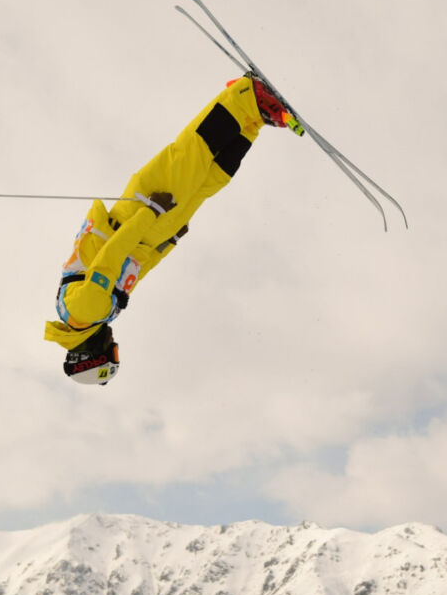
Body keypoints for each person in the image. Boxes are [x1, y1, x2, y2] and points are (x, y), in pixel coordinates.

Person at [44, 73, 299, 384]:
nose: (114, 344)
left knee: (192, 154)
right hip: (151, 229)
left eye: (112, 353)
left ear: (92, 356)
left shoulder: (86, 311)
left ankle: (246, 97)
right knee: (211, 179)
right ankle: (253, 120)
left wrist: (150, 212)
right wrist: (169, 242)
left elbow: (114, 253)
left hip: (141, 215)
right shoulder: (91, 318)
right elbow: (135, 270)